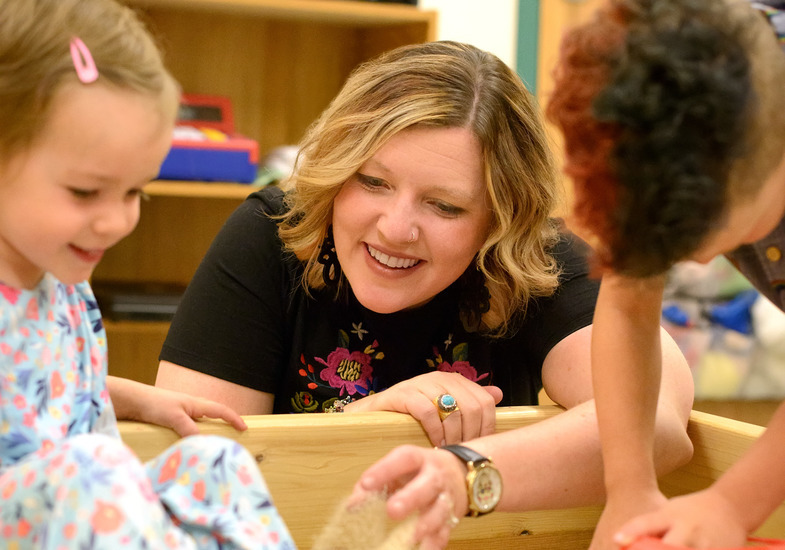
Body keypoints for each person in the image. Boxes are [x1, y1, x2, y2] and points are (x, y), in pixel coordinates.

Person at [155, 40, 694, 549]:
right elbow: (198, 484)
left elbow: (657, 424)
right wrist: (364, 428)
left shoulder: (540, 262)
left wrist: (463, 469)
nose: (396, 228)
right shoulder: (267, 236)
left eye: (445, 206)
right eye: (372, 181)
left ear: (499, 222)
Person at [0, 0, 295, 547]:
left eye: (135, 190)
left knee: (213, 464)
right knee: (93, 466)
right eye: (85, 191)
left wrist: (127, 397)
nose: (116, 221)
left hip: (86, 514)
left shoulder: (59, 274)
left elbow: (31, 390)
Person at [545, 0, 785, 547]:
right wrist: (630, 489)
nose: (688, 261)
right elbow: (628, 306)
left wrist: (731, 504)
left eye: (689, 236)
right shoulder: (655, 120)